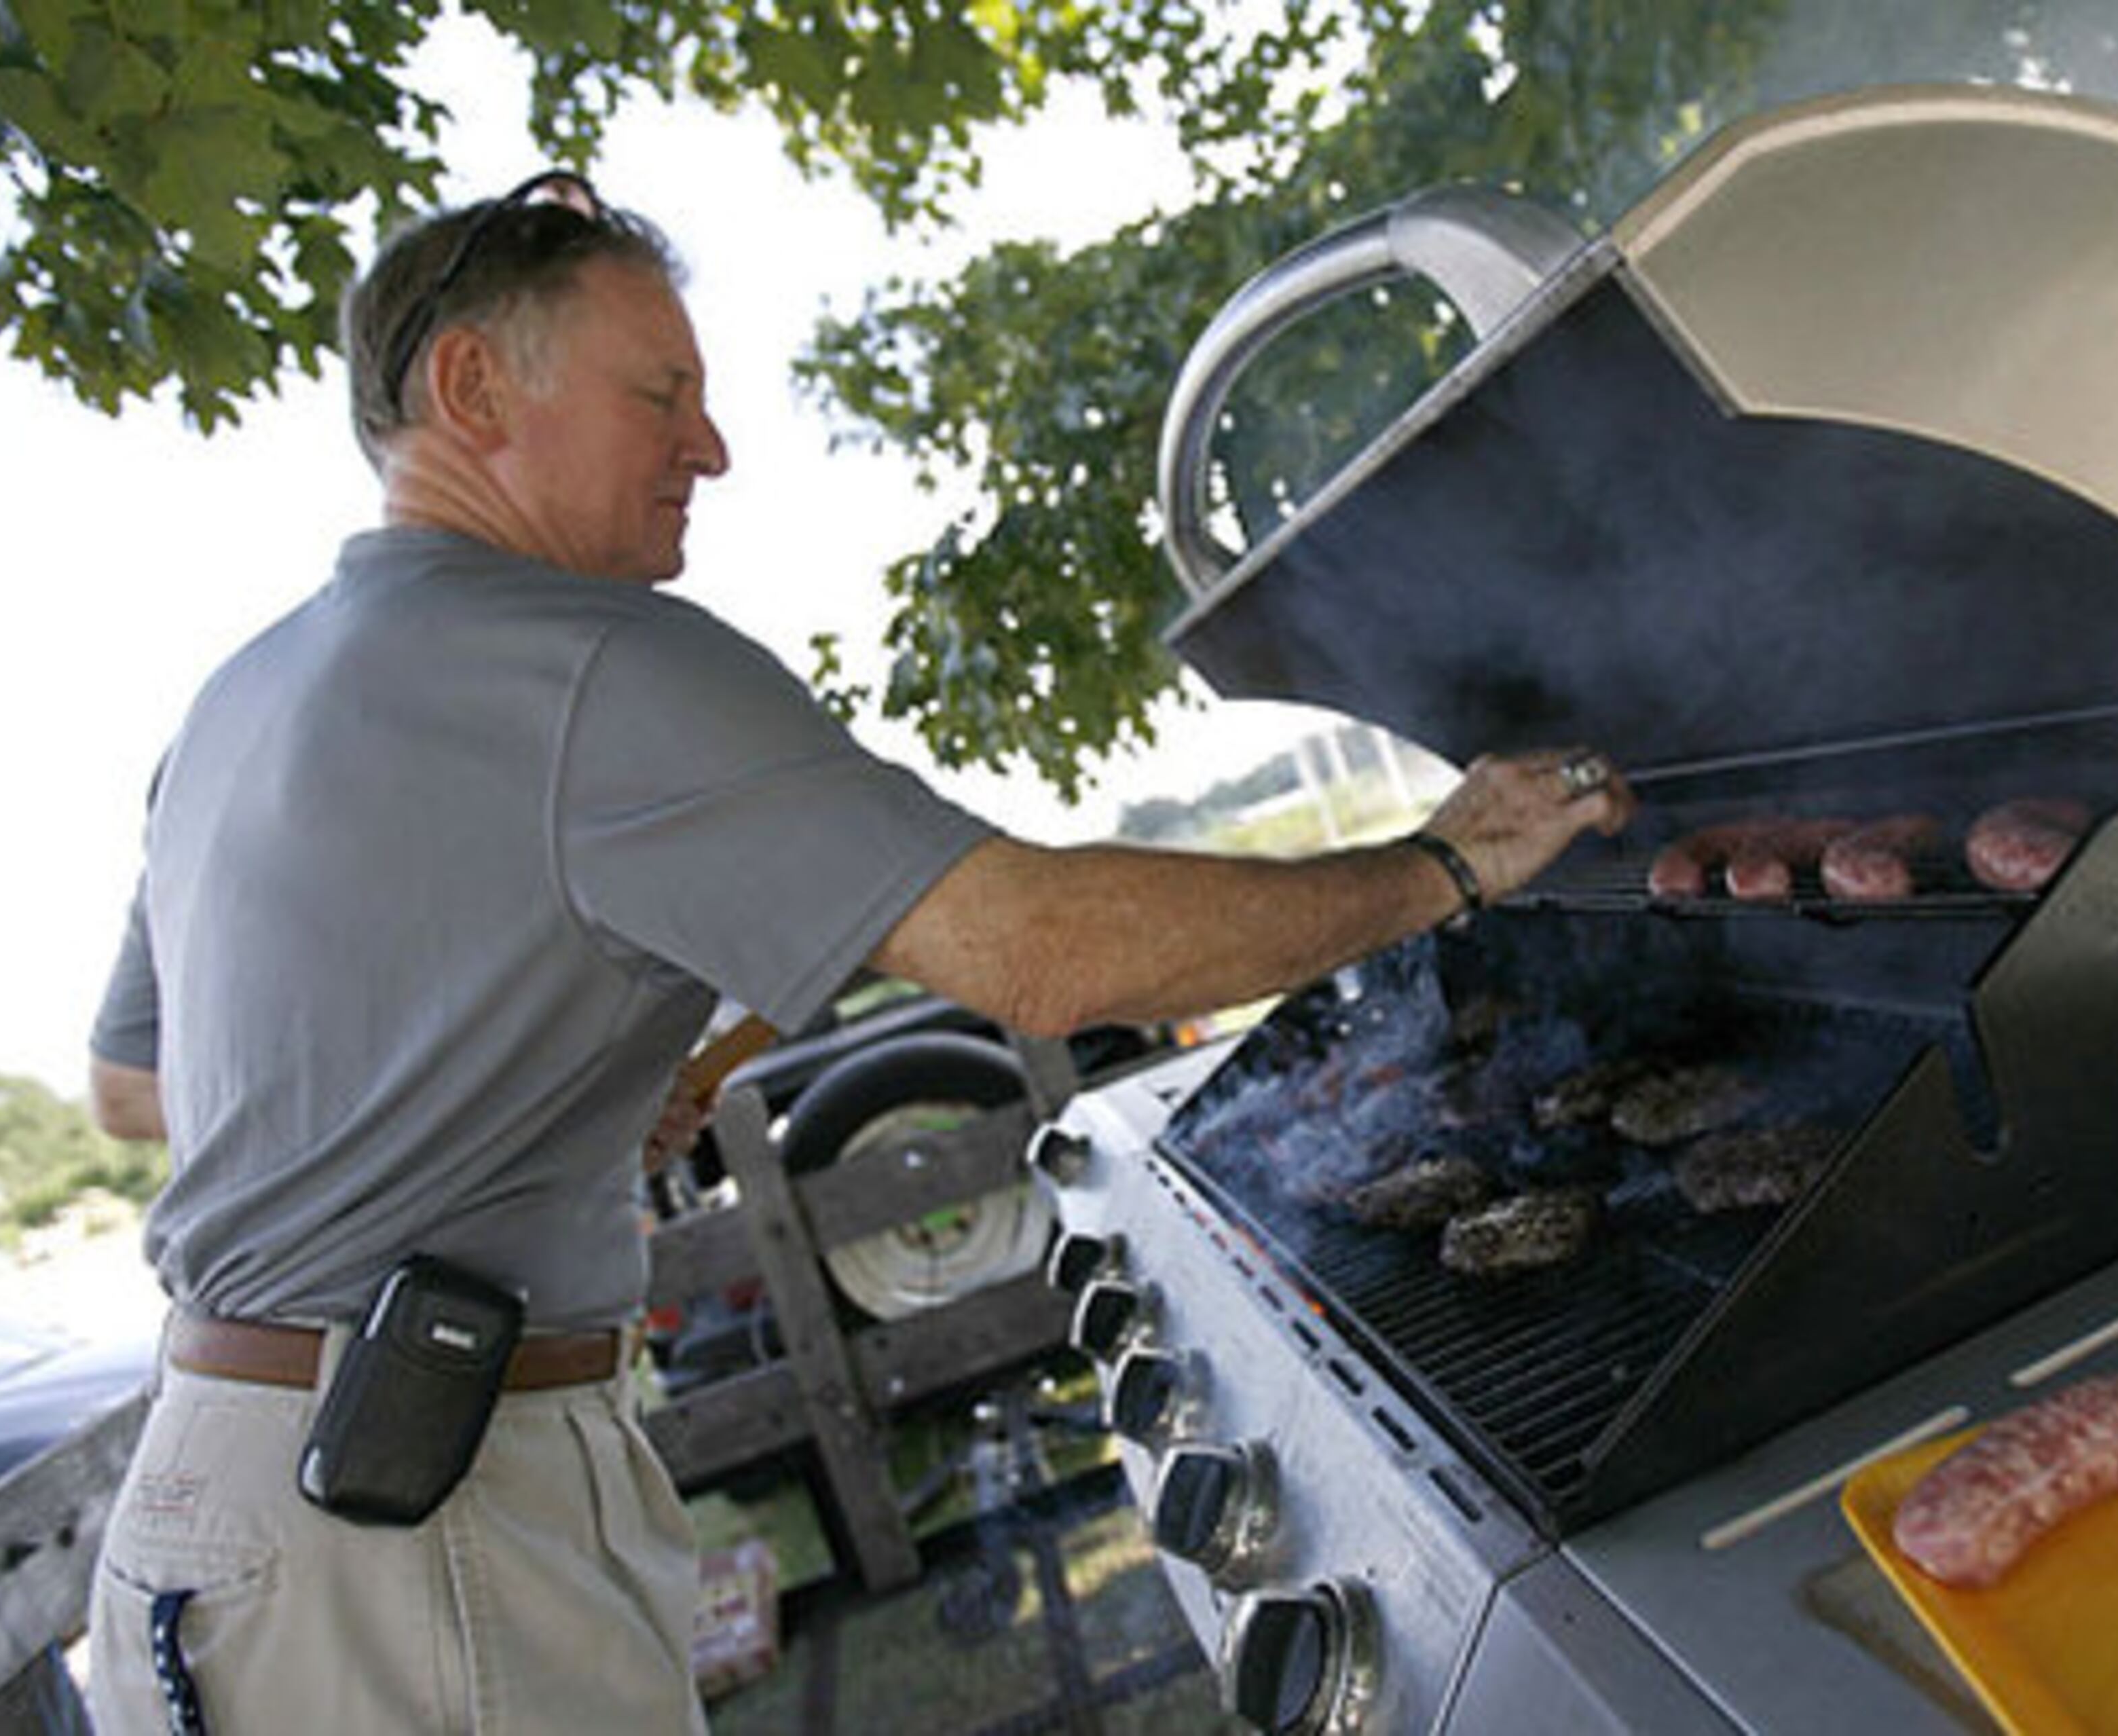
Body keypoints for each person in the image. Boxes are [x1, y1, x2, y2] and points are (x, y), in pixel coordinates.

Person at [83, 170, 1632, 1734]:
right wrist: (1449, 862)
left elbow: (138, 1088)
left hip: (212, 1533)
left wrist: (522, 1100)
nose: (713, 445)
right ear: (473, 387)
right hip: (420, 1551)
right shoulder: (582, 662)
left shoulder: (232, 710)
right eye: (662, 391)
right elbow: (1039, 956)